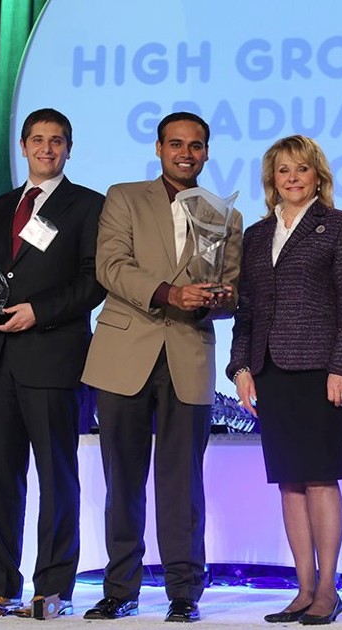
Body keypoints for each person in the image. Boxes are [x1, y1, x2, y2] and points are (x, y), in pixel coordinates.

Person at [80, 112, 242, 623]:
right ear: (158, 148)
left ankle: (183, 592)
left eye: (196, 145)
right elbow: (111, 267)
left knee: (182, 483)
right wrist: (171, 293)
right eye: (176, 143)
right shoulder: (124, 196)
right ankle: (121, 587)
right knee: (122, 480)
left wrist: (213, 298)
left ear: (207, 153)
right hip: (125, 354)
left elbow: (233, 290)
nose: (185, 153)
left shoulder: (225, 215)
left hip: (188, 354)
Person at [0, 108, 106, 619]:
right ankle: (2, 586)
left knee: (57, 478)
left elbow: (94, 281)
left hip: (52, 357)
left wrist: (37, 313)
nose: (47, 148)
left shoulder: (88, 205)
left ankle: (54, 588)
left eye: (57, 141)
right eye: (38, 140)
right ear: (23, 146)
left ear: (70, 148)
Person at [228, 135, 342, 626]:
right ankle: (303, 588)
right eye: (283, 170)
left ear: (318, 176)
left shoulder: (340, 226)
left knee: (320, 478)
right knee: (289, 483)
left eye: (301, 169)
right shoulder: (255, 235)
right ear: (272, 180)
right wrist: (241, 368)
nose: (292, 178)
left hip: (319, 370)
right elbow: (246, 310)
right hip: (270, 372)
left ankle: (328, 589)